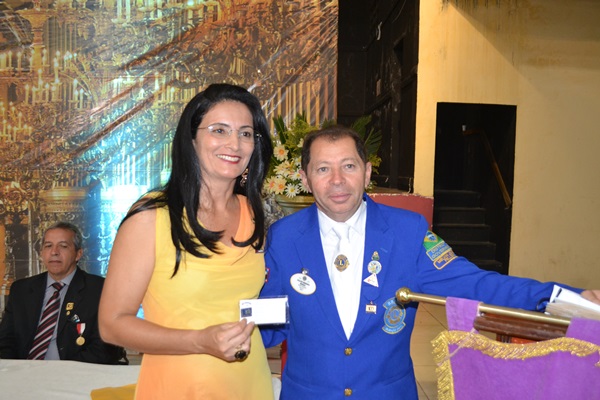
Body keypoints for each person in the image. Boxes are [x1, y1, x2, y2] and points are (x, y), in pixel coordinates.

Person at [259, 125, 600, 399]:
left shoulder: (407, 232)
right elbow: (269, 320)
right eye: (323, 169)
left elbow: (476, 283)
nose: (337, 180)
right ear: (305, 178)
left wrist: (562, 297)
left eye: (348, 166)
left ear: (367, 172)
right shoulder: (283, 238)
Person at [98, 83, 274, 399]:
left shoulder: (255, 215)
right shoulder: (152, 216)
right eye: (219, 130)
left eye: (246, 133)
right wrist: (200, 341)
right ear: (192, 139)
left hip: (251, 385)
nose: (234, 143)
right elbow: (111, 325)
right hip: (178, 388)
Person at [0, 221, 124, 364]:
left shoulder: (100, 290)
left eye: (63, 246)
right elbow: (5, 342)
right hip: (24, 371)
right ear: (41, 253)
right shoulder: (21, 290)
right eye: (48, 246)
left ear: (78, 254)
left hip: (77, 372)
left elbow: (105, 348)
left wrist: (63, 371)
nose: (54, 252)